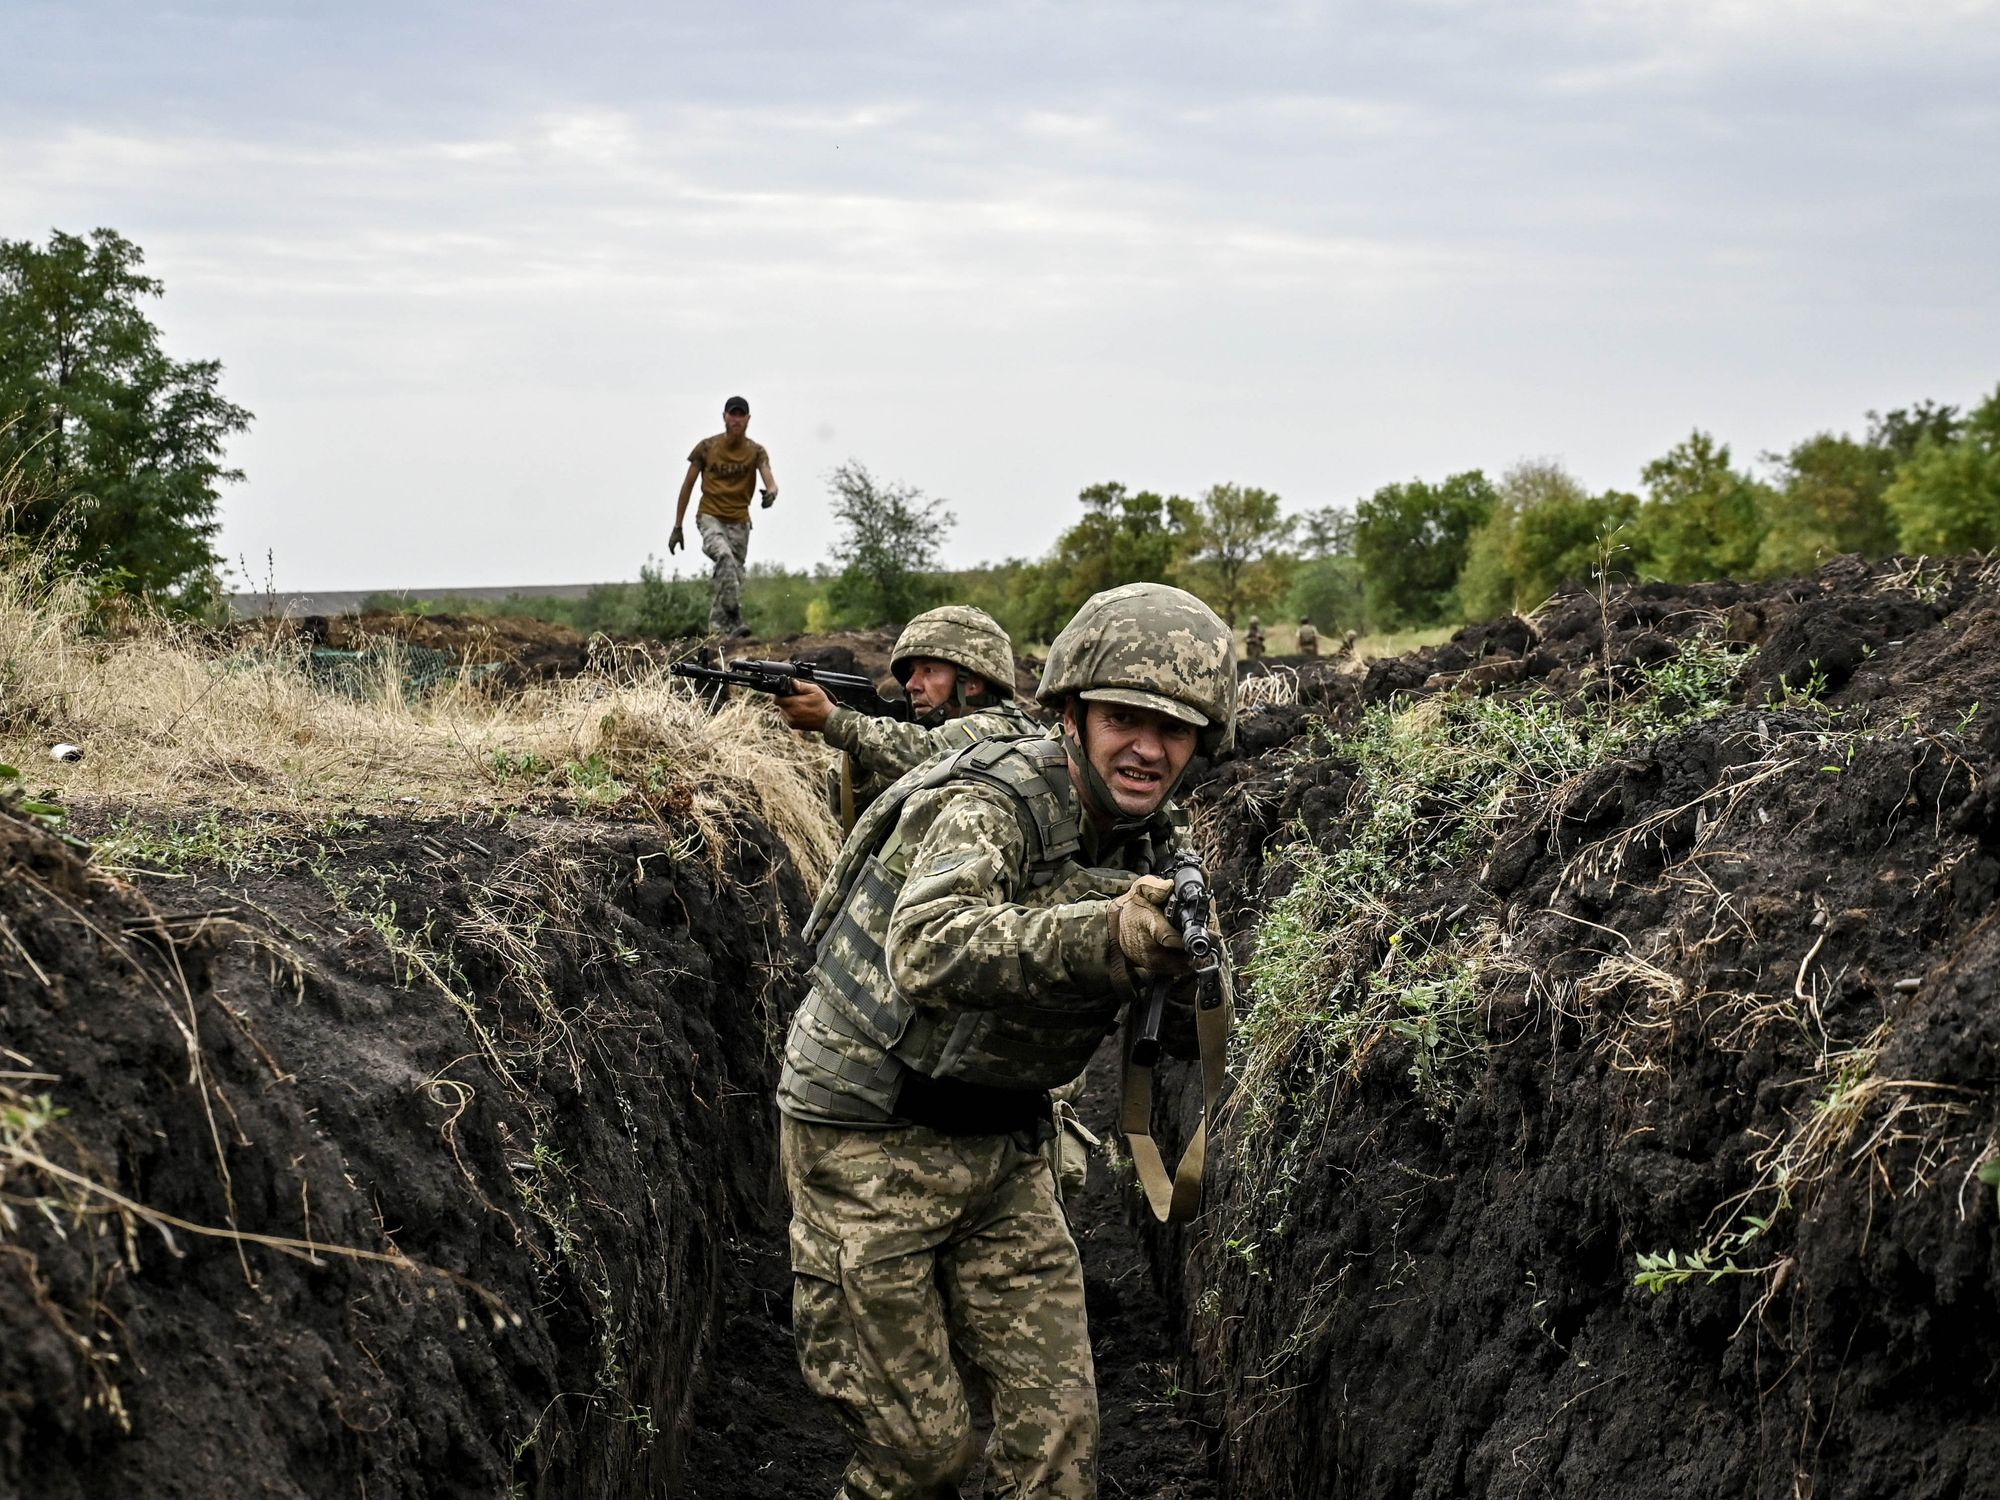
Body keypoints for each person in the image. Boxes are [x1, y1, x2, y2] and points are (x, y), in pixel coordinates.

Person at [777, 581, 1236, 1500]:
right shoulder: (995, 803)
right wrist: (1107, 935)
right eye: (1123, 718)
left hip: (1003, 1146)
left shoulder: (1154, 840)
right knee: (921, 1459)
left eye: (1174, 728)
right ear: (1072, 713)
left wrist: (1183, 972)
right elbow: (926, 946)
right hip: (868, 1139)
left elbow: (1179, 1030)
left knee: (1057, 1448)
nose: (1148, 748)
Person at [770, 604, 1040, 827]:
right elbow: (858, 815)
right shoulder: (925, 740)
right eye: (911, 672)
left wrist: (836, 721)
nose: (912, 684)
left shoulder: (1002, 729)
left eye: (928, 671)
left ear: (971, 683)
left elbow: (933, 753)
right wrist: (858, 757)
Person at [668, 395, 778, 637]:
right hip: (710, 516)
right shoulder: (707, 448)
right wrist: (678, 527)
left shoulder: (756, 451)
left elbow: (769, 479)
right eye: (732, 414)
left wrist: (771, 493)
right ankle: (735, 615)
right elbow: (687, 486)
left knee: (732, 576)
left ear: (748, 419)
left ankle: (718, 635)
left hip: (740, 522)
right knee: (724, 557)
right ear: (724, 417)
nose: (736, 419)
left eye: (741, 415)